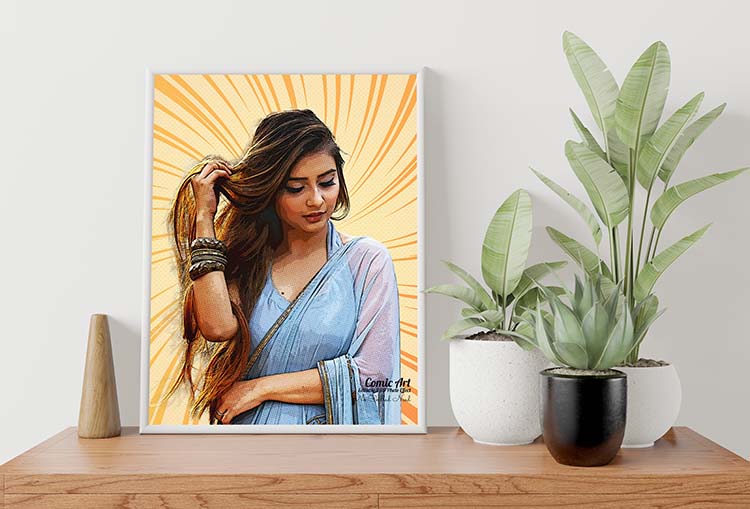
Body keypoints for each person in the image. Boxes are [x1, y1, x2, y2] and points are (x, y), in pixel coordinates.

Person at [165, 109, 401, 425]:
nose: (316, 200)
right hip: (244, 449)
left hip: (326, 454)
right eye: (296, 188)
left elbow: (373, 374)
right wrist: (204, 218)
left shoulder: (366, 262)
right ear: (271, 189)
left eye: (327, 182)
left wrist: (259, 389)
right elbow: (218, 328)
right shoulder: (248, 261)